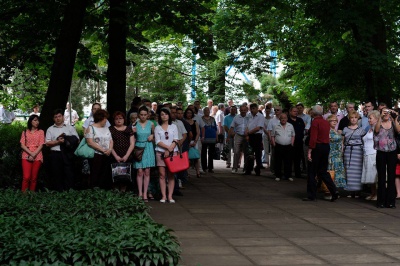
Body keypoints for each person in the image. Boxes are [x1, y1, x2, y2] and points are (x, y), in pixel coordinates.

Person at [303, 105, 339, 202]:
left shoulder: (315, 122)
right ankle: (334, 190)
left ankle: (311, 195)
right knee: (323, 171)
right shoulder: (325, 122)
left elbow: (313, 138)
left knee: (311, 172)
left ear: (313, 113)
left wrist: (310, 151)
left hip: (317, 147)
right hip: (325, 147)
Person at [45, 109, 79, 191]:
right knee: (56, 173)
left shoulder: (70, 128)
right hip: (55, 154)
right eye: (55, 117)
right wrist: (58, 142)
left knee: (68, 173)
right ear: (53, 119)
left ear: (63, 117)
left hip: (67, 153)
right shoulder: (50, 129)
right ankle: (57, 192)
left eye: (59, 116)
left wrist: (66, 139)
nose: (58, 118)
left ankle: (69, 192)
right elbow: (47, 143)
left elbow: (77, 140)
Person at [374, 107, 400, 208]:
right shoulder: (379, 122)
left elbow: (398, 130)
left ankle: (391, 201)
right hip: (381, 151)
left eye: (387, 112)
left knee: (391, 176)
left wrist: (395, 117)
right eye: (384, 112)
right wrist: (380, 117)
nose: (386, 114)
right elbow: (376, 130)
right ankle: (381, 201)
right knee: (381, 176)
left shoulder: (393, 122)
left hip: (392, 151)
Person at [154, 108, 179, 203]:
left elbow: (176, 139)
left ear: (169, 115)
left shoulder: (174, 126)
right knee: (162, 175)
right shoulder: (157, 127)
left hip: (173, 153)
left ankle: (170, 196)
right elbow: (157, 141)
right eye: (162, 114)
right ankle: (163, 196)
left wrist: (170, 149)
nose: (164, 116)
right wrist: (167, 148)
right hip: (160, 153)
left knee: (171, 175)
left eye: (166, 114)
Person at [85, 109, 113, 189]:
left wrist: (110, 149)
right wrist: (103, 150)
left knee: (105, 175)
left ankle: (105, 192)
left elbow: (111, 140)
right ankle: (94, 191)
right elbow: (90, 142)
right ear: (101, 118)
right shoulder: (90, 128)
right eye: (105, 118)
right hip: (96, 155)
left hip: (107, 154)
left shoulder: (106, 128)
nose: (106, 120)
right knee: (95, 174)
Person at [132, 106, 155, 201]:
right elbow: (131, 138)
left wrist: (152, 136)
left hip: (148, 147)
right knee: (139, 171)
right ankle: (140, 193)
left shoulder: (151, 124)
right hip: (138, 147)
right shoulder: (135, 124)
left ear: (148, 115)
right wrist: (133, 132)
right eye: (141, 115)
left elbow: (156, 136)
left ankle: (145, 193)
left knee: (147, 171)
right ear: (138, 115)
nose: (143, 116)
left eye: (145, 115)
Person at [342, 110, 366, 198]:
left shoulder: (362, 130)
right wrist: (342, 151)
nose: (353, 119)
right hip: (348, 151)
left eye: (355, 117)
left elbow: (364, 142)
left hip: (358, 152)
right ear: (349, 118)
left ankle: (358, 191)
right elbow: (343, 141)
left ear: (358, 118)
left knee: (358, 171)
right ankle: (350, 191)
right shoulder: (345, 129)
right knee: (348, 170)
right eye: (352, 118)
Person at [110, 111, 135, 192]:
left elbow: (132, 144)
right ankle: (116, 192)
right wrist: (116, 156)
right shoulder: (111, 129)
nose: (118, 120)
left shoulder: (128, 129)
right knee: (115, 175)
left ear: (124, 119)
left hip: (127, 155)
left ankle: (123, 192)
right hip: (114, 155)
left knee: (125, 176)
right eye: (116, 119)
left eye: (120, 118)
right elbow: (109, 144)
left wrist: (126, 156)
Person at [20, 115, 45, 192]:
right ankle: (24, 196)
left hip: (38, 155)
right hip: (26, 155)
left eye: (38, 120)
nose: (37, 122)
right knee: (26, 177)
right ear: (30, 121)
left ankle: (32, 196)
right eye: (35, 120)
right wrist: (31, 153)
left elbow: (41, 144)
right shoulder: (25, 132)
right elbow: (22, 145)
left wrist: (34, 154)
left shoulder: (41, 132)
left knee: (34, 178)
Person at [362, 110, 379, 201]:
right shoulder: (370, 128)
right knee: (370, 176)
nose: (369, 120)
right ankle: (373, 193)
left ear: (376, 119)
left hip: (373, 153)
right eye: (368, 118)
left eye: (370, 118)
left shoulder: (377, 128)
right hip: (366, 153)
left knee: (374, 175)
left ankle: (376, 194)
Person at [271, 113, 295, 181]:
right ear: (279, 119)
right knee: (278, 161)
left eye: (285, 118)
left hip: (288, 146)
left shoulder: (291, 126)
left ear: (287, 119)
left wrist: (292, 143)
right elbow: (272, 135)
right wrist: (274, 144)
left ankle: (288, 175)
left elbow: (293, 135)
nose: (283, 119)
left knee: (288, 161)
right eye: (282, 118)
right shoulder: (276, 126)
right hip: (278, 146)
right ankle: (278, 175)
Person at [327, 114, 346, 194]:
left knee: (337, 171)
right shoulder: (328, 131)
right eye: (332, 121)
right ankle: (329, 189)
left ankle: (334, 189)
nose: (334, 122)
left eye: (335, 121)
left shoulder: (336, 131)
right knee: (331, 171)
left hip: (338, 154)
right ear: (328, 122)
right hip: (331, 154)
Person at [245, 103, 265, 175]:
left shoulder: (260, 116)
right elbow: (246, 125)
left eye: (254, 108)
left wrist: (249, 132)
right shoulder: (249, 115)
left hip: (257, 136)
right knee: (249, 153)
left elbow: (258, 128)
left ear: (257, 108)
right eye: (251, 109)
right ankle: (248, 169)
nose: (252, 110)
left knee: (257, 153)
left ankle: (258, 169)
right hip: (250, 136)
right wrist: (247, 134)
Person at [229, 105, 248, 173]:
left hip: (246, 136)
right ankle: (235, 167)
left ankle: (245, 169)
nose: (243, 111)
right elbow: (231, 127)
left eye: (244, 110)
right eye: (241, 110)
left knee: (246, 152)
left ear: (246, 110)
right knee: (236, 152)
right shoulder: (236, 117)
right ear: (239, 110)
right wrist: (230, 135)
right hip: (238, 135)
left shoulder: (249, 117)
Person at [287, 106, 305, 179]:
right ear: (290, 112)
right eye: (294, 111)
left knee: (298, 158)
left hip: (299, 142)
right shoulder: (287, 121)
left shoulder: (300, 120)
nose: (296, 112)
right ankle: (288, 173)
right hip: (290, 142)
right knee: (289, 158)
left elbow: (303, 129)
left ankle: (298, 173)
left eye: (297, 111)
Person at [184, 108, 201, 178]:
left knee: (196, 157)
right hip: (186, 141)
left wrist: (195, 141)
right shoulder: (184, 122)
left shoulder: (195, 122)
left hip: (194, 141)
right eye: (188, 113)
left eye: (190, 113)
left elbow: (198, 132)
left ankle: (198, 172)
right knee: (187, 158)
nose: (189, 114)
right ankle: (188, 172)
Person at [201, 107, 217, 173]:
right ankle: (204, 167)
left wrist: (217, 137)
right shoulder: (201, 119)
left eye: (208, 110)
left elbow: (215, 128)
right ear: (203, 111)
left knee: (211, 153)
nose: (207, 111)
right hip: (204, 137)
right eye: (205, 110)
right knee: (203, 153)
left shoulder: (212, 119)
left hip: (212, 138)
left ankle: (210, 167)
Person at [267, 106, 283, 172]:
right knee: (274, 155)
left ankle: (281, 169)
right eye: (275, 110)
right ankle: (273, 169)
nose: (276, 111)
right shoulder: (272, 120)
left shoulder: (284, 119)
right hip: (274, 140)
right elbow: (269, 131)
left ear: (281, 111)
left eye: (278, 110)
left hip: (283, 140)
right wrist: (271, 139)